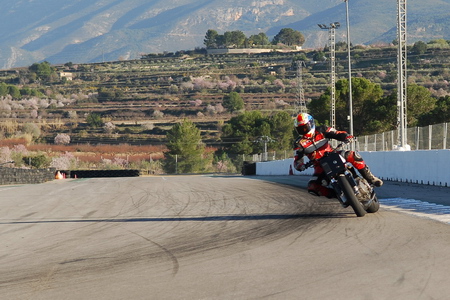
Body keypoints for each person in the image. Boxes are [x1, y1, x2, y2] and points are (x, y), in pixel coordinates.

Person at [293, 113, 383, 198]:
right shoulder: (299, 143)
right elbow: (297, 159)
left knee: (352, 155)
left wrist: (346, 136)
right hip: (319, 166)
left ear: (311, 123)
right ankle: (337, 195)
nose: (304, 130)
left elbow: (337, 133)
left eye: (305, 127)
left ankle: (370, 178)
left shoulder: (322, 129)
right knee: (312, 187)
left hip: (333, 155)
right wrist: (300, 166)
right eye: (300, 129)